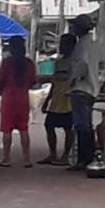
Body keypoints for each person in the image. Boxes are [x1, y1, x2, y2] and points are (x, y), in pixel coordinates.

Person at [66, 13, 105, 172]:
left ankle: (84, 159)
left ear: (79, 28)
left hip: (81, 87)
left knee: (82, 125)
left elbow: (81, 64)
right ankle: (87, 157)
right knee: (86, 124)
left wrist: (74, 78)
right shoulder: (95, 45)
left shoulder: (81, 45)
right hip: (92, 88)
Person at [0, 36, 37, 168]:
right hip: (23, 98)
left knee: (7, 130)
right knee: (24, 129)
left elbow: (1, 80)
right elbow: (32, 81)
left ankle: (6, 158)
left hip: (8, 98)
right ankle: (27, 159)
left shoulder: (7, 63)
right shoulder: (29, 64)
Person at [39, 32, 77, 165]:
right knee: (49, 125)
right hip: (56, 100)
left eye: (64, 44)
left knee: (68, 128)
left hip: (68, 101)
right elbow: (54, 83)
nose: (61, 47)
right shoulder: (59, 62)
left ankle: (65, 156)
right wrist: (47, 101)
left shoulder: (75, 62)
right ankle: (52, 154)